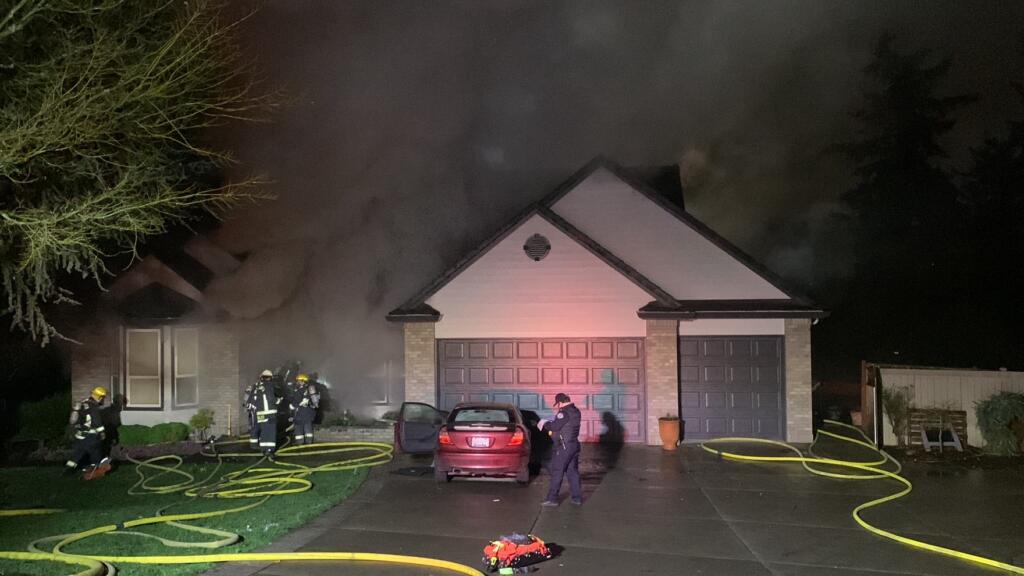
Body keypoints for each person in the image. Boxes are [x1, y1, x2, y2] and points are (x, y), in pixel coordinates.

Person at [538, 393, 582, 507]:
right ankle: (577, 498)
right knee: (572, 472)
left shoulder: (564, 413)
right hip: (574, 445)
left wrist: (544, 423)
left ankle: (552, 499)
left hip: (564, 447)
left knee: (557, 471)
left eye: (558, 404)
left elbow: (554, 427)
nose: (558, 406)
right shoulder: (576, 411)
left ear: (560, 402)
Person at [65, 386, 113, 479]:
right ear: (100, 397)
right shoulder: (93, 407)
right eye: (103, 398)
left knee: (76, 455)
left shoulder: (83, 404)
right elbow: (97, 422)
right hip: (91, 437)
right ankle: (95, 472)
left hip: (80, 436)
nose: (103, 400)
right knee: (96, 454)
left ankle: (68, 471)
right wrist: (102, 432)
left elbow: (75, 421)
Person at [252, 369, 280, 459]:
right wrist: (278, 400)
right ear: (270, 378)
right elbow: (271, 398)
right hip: (270, 413)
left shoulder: (257, 387)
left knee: (264, 431)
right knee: (271, 432)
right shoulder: (270, 386)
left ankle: (263, 449)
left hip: (260, 413)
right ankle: (269, 450)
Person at [291, 373, 320, 445]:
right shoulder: (305, 390)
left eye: (298, 381)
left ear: (303, 381)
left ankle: (302, 445)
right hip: (306, 414)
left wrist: (292, 406)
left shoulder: (301, 390)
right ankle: (306, 445)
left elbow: (296, 402)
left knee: (302, 430)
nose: (297, 382)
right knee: (306, 430)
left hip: (302, 414)